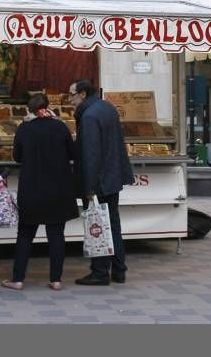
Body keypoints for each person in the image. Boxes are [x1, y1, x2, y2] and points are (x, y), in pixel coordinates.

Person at [1, 93, 78, 292]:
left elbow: (17, 156)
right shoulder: (60, 127)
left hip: (32, 190)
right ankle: (56, 280)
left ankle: (18, 279)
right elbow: (73, 153)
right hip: (58, 189)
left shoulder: (24, 129)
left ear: (29, 110)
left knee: (25, 235)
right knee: (56, 235)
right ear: (47, 106)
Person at [69, 79, 134, 286]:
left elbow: (90, 154)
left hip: (98, 181)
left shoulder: (88, 116)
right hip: (112, 176)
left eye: (71, 95)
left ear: (82, 94)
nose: (69, 100)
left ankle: (99, 272)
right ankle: (119, 269)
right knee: (112, 223)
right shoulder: (106, 108)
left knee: (97, 224)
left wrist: (89, 187)